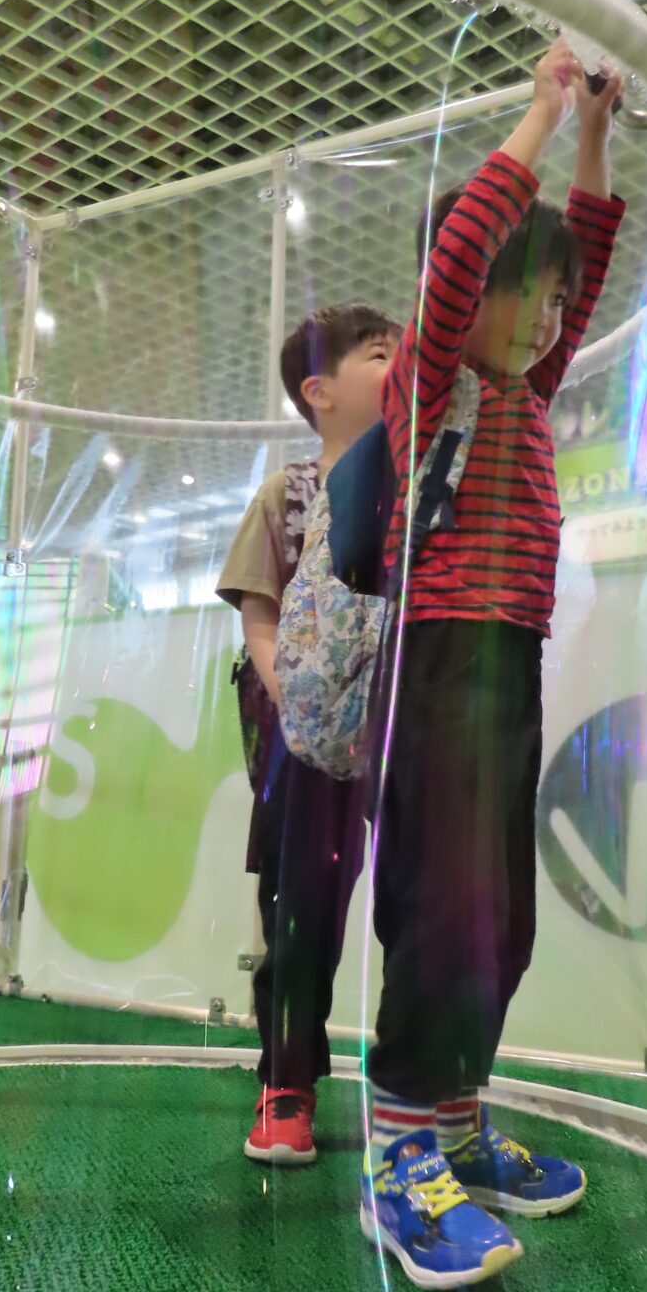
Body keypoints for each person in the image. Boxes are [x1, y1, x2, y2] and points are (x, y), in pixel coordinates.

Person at [361, 36, 626, 1290]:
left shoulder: (528, 388)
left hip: (507, 665)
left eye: (558, 301)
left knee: (497, 918)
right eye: (532, 295)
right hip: (437, 667)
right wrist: (541, 112)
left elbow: (593, 250)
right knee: (441, 908)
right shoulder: (430, 385)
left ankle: (457, 1125)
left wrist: (595, 141)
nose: (553, 316)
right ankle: (397, 1159)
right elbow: (466, 248)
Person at [218, 304, 398, 1164]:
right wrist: (292, 695)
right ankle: (286, 1080)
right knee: (301, 907)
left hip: (399, 725)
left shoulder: (416, 481)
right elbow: (259, 607)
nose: (401, 364)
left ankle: (424, 1091)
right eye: (380, 354)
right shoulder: (287, 493)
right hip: (303, 732)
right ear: (318, 392)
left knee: (416, 897)